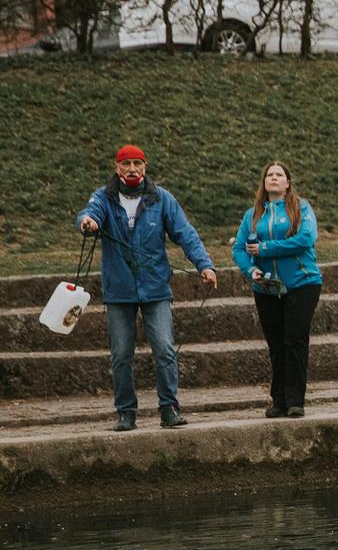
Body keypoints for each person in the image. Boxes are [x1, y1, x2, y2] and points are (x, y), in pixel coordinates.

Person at [77, 144, 218, 432]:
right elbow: (88, 213)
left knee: (165, 349)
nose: (132, 169)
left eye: (137, 163)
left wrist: (204, 264)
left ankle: (169, 408)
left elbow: (185, 233)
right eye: (126, 164)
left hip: (155, 288)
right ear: (117, 168)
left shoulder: (161, 198)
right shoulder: (104, 197)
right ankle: (126, 413)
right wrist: (86, 223)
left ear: (145, 166)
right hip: (119, 290)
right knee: (120, 355)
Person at [232, 162, 322, 418]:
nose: (273, 178)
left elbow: (305, 239)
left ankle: (296, 401)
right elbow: (239, 248)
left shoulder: (301, 208)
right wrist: (251, 270)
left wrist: (264, 249)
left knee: (294, 340)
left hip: (302, 283)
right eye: (269, 175)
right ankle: (278, 400)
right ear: (264, 183)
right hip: (266, 287)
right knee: (276, 344)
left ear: (287, 183)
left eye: (279, 175)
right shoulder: (252, 215)